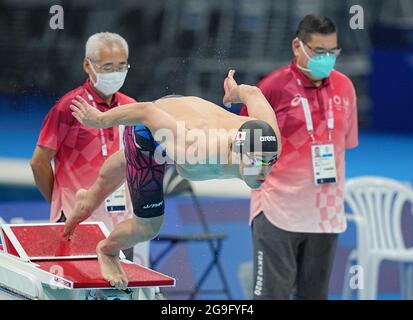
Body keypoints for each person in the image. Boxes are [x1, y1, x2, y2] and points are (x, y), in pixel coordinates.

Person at [64, 70, 281, 289]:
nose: (264, 171)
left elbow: (253, 93)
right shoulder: (196, 149)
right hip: (152, 129)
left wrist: (234, 92)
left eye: (270, 162)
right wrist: (100, 119)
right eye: (256, 162)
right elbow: (146, 111)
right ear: (237, 151)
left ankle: (88, 197)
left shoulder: (269, 139)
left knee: (133, 159)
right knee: (148, 227)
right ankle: (107, 251)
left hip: (182, 117)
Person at [239, 14, 359, 299]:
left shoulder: (345, 87)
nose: (327, 59)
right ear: (297, 46)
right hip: (278, 213)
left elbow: (345, 144)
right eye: (319, 52)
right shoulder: (271, 88)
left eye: (333, 52)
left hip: (325, 217)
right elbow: (242, 144)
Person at [30, 32, 139, 261]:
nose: (116, 73)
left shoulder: (131, 108)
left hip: (120, 226)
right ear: (87, 66)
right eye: (107, 67)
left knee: (120, 293)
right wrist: (60, 202)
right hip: (77, 221)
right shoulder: (69, 106)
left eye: (121, 66)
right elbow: (39, 162)